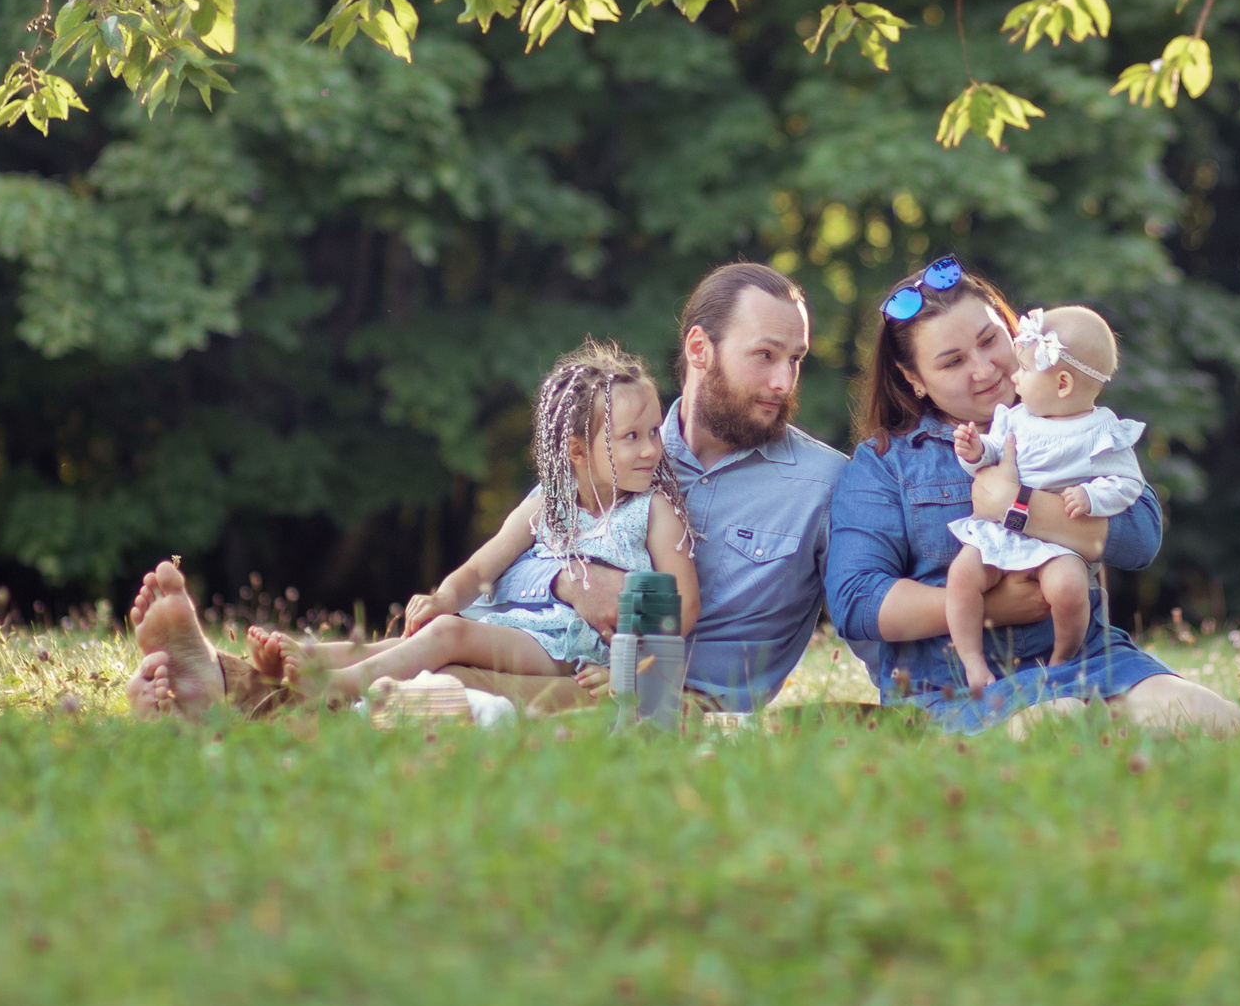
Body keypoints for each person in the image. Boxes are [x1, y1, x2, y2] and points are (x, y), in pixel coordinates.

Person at [125, 261, 844, 719]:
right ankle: (222, 684)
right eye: (765, 356)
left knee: (439, 684)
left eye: (797, 360)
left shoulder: (823, 485)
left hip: (665, 697)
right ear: (699, 350)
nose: (785, 382)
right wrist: (569, 584)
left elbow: (865, 599)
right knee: (437, 645)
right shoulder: (620, 445)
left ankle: (222, 689)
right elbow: (522, 550)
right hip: (543, 642)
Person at [826, 257, 1240, 735]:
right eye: (953, 361)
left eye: (990, 341)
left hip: (1087, 661)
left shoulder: (1075, 424)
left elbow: (1140, 537)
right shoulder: (886, 463)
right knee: (1057, 728)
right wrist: (994, 606)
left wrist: (1018, 505)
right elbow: (856, 601)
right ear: (915, 380)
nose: (984, 369)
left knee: (1223, 725)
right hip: (956, 686)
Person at [274, 340, 699, 707]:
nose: (650, 450)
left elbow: (684, 607)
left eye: (654, 432)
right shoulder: (547, 504)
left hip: (573, 645)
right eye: (631, 437)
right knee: (411, 640)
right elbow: (481, 569)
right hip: (522, 628)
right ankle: (309, 660)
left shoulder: (654, 510)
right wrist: (443, 598)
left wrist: (633, 671)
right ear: (577, 450)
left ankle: (340, 686)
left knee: (448, 637)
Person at [945, 305, 1146, 693]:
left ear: (1063, 384)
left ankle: (1061, 660)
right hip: (1001, 533)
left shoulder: (1101, 431)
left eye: (1024, 369)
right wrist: (974, 451)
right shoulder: (1015, 418)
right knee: (962, 576)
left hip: (1056, 542)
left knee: (1070, 590)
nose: (1013, 377)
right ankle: (972, 662)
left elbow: (1127, 482)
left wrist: (1091, 496)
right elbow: (992, 454)